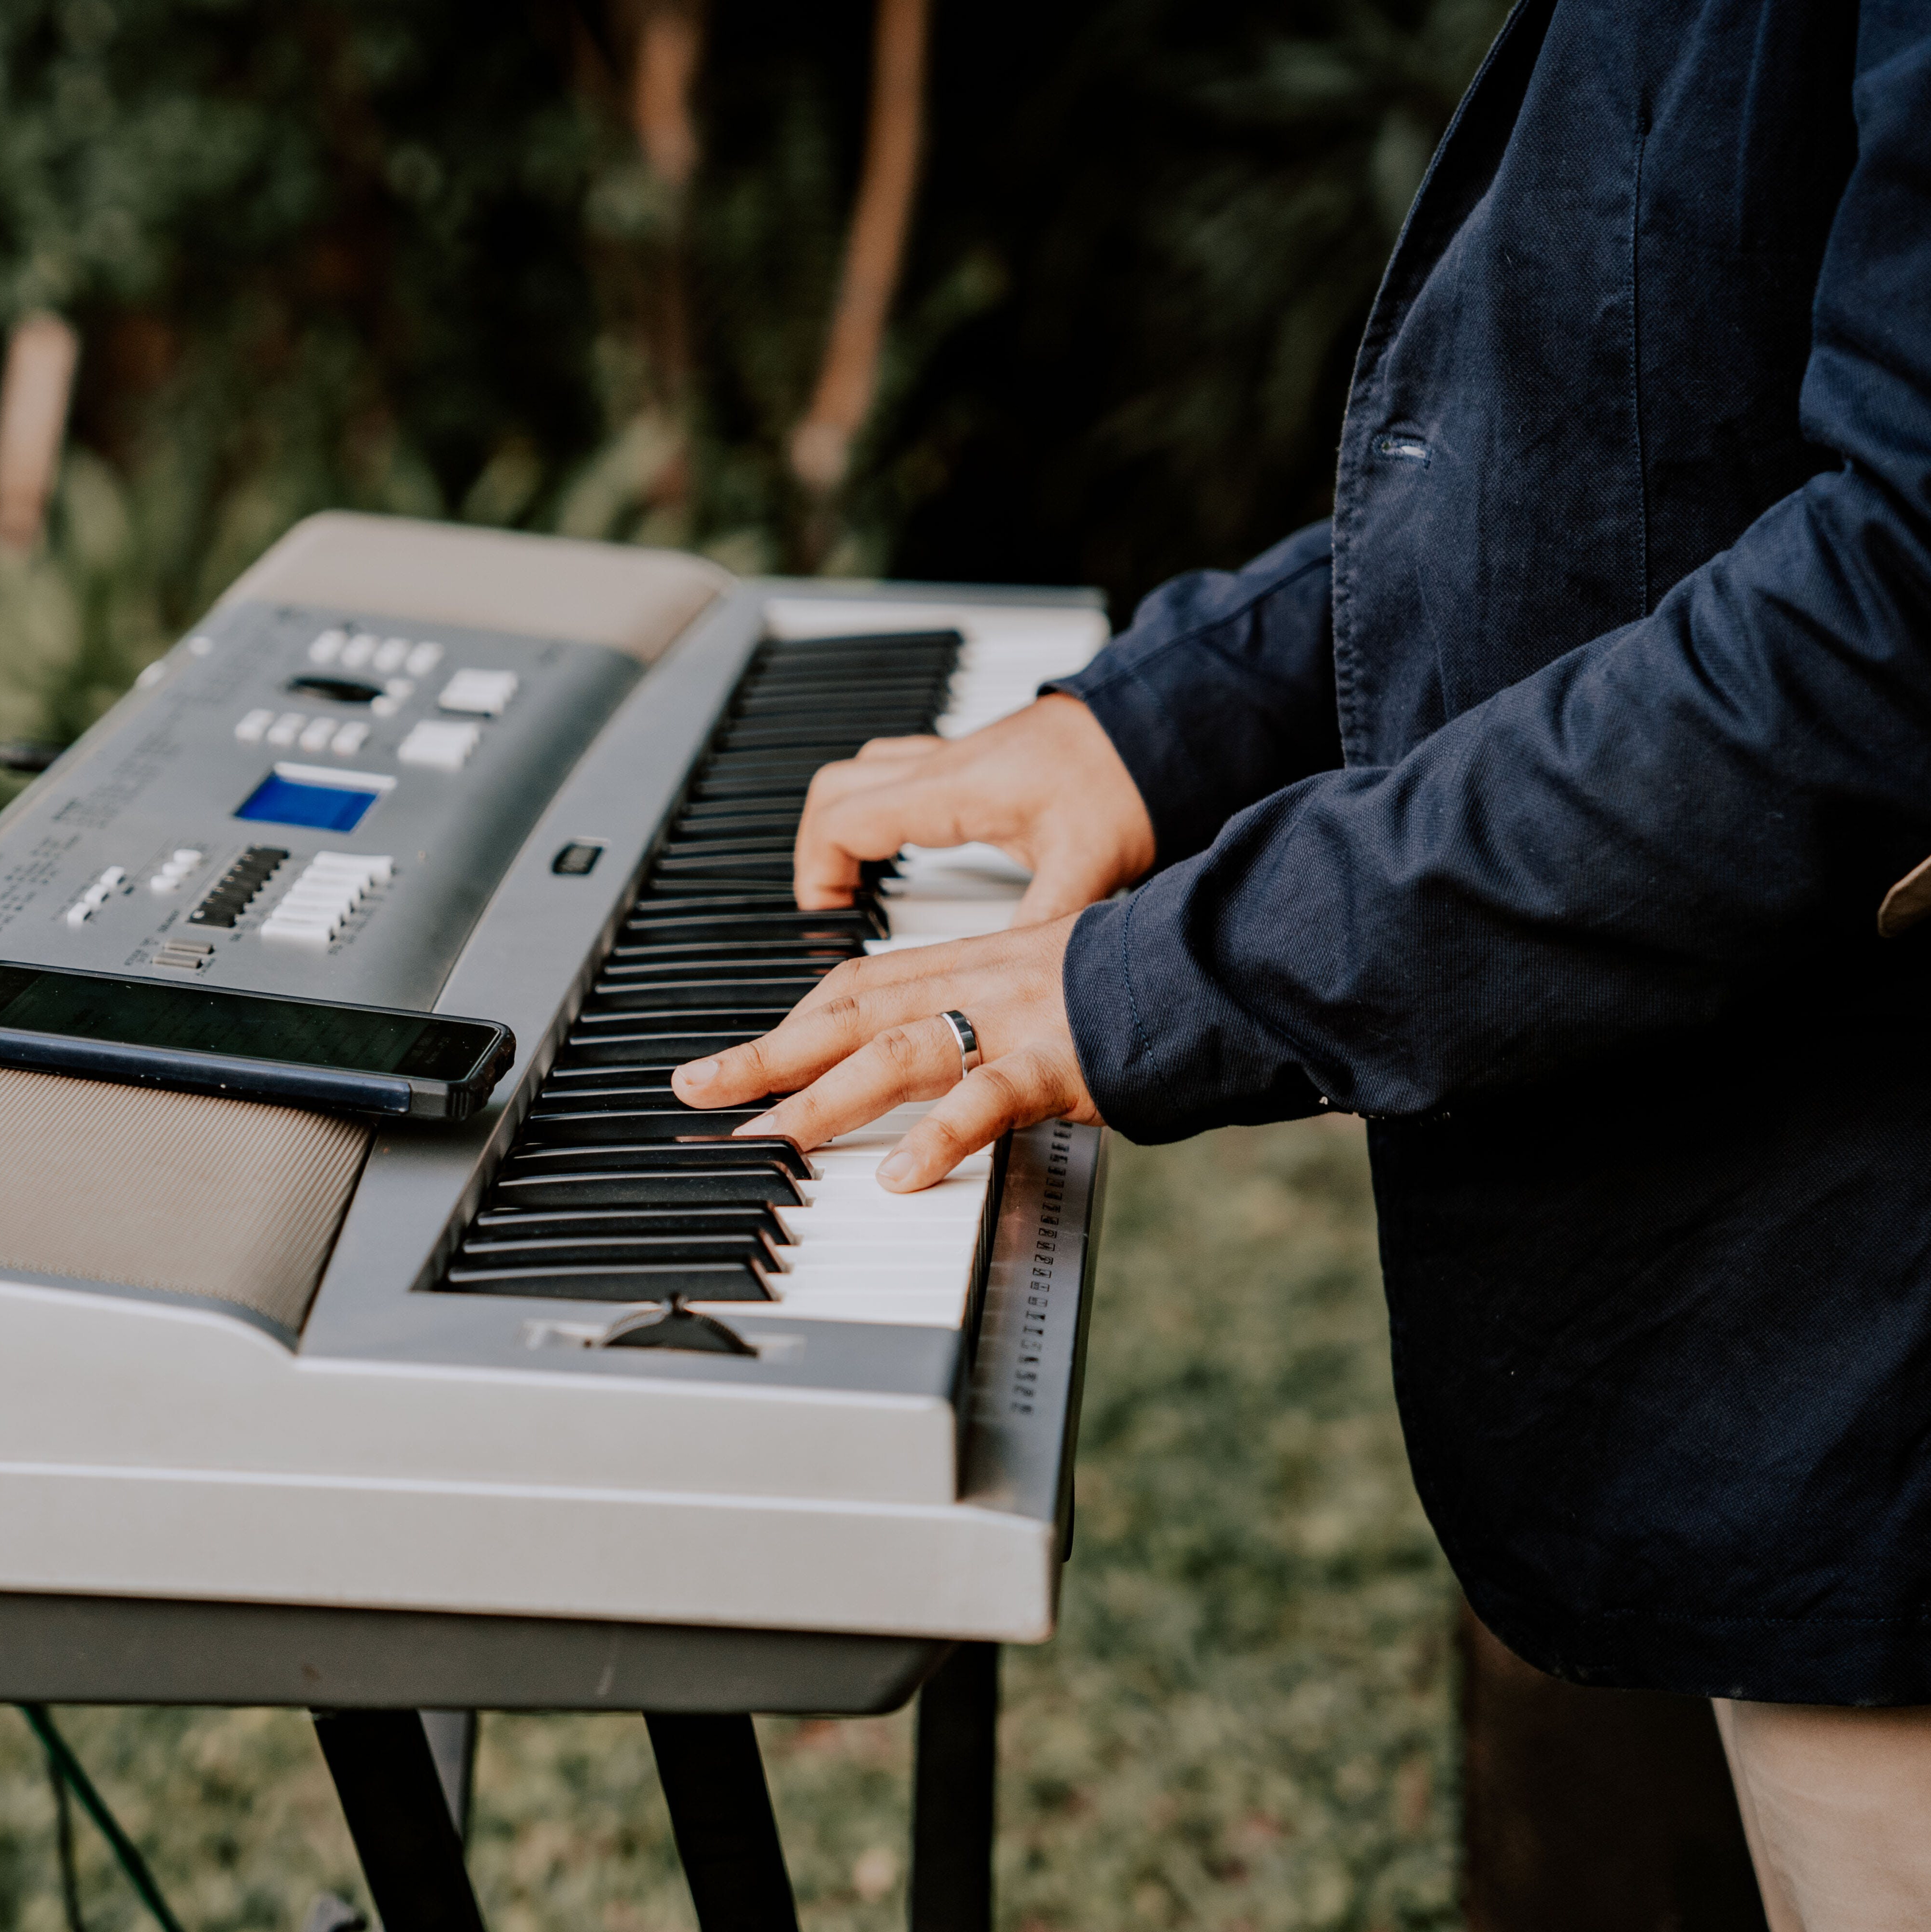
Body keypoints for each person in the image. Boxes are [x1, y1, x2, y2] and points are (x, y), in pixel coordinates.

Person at [673, 5, 1931, 1922]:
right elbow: (1640, 436)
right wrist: (1161, 723)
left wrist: (1163, 977)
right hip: (1698, 1310)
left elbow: (1886, 620)